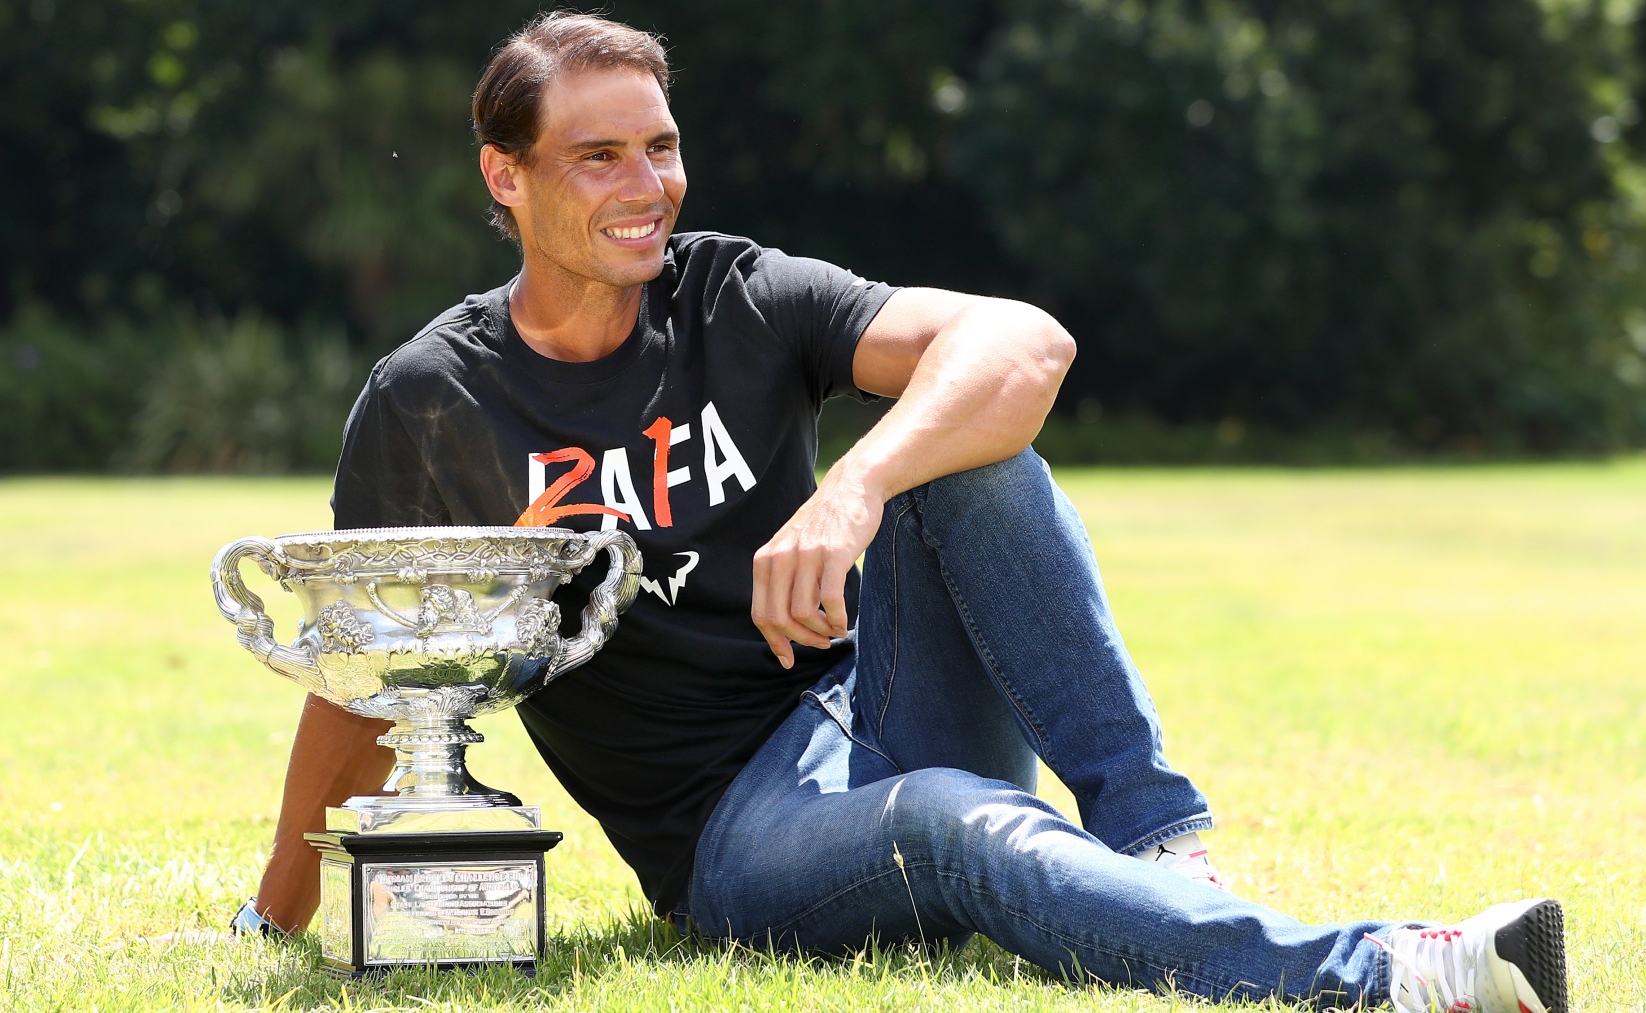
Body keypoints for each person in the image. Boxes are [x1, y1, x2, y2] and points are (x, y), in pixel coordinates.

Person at [229, 13, 1570, 1012]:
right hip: (732, 837)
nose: (647, 185)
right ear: (504, 178)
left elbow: (1023, 345)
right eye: (596, 158)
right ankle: (1399, 973)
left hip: (875, 704)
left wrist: (857, 485)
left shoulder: (735, 294)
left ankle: (1161, 843)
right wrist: (274, 913)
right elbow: (368, 676)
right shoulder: (436, 398)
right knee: (946, 820)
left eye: (661, 146)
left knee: (972, 452)